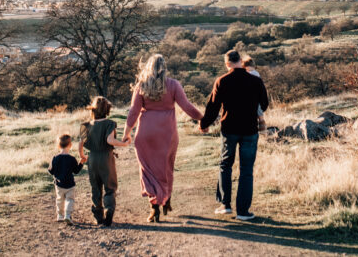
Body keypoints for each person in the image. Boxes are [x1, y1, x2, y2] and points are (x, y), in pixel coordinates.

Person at [122, 54, 203, 223]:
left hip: (145, 133)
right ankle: (166, 200)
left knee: (148, 170)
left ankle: (154, 208)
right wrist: (202, 118)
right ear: (164, 67)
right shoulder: (173, 85)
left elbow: (133, 112)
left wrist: (126, 132)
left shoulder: (141, 85)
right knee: (166, 167)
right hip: (167, 133)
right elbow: (187, 106)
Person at [199, 49, 269, 221]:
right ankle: (243, 212)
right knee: (246, 170)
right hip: (250, 130)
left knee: (225, 165)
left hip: (229, 129)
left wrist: (204, 124)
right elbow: (265, 104)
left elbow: (213, 107)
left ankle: (225, 205)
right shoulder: (255, 81)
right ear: (240, 61)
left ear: (227, 63)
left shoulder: (222, 81)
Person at [78, 96, 128, 227]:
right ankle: (109, 209)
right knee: (110, 187)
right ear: (107, 110)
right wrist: (124, 144)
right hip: (106, 157)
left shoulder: (86, 126)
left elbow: (80, 144)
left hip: (92, 158)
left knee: (95, 187)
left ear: (93, 110)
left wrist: (83, 156)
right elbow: (110, 141)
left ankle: (98, 216)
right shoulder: (109, 124)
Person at [47, 133, 85, 224]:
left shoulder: (55, 158)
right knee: (70, 199)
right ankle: (67, 215)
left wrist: (53, 172)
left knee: (59, 199)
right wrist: (81, 162)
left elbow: (51, 171)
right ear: (70, 145)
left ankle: (60, 215)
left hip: (59, 184)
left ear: (58, 145)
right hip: (70, 185)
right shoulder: (72, 159)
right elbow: (76, 171)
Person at [242, 55, 267, 133]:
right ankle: (261, 123)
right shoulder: (255, 72)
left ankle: (261, 123)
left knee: (257, 109)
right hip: (256, 96)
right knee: (258, 109)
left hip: (253, 96)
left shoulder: (252, 73)